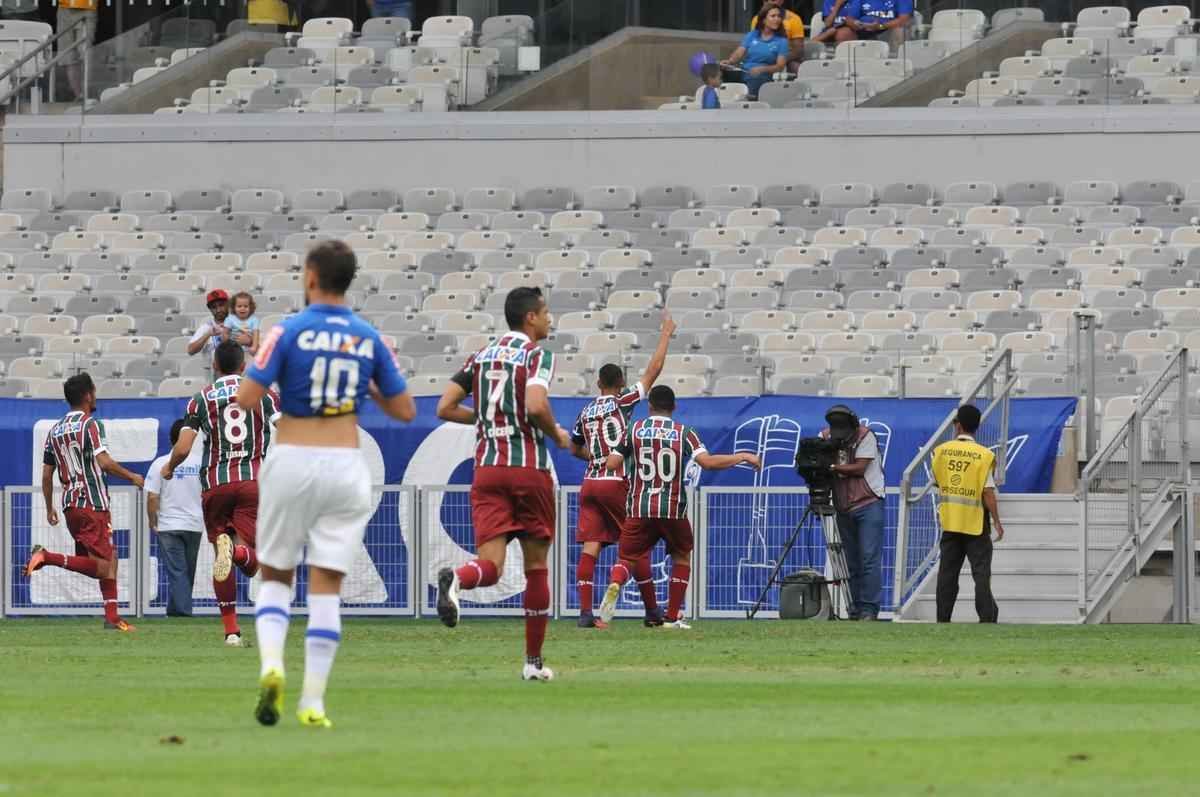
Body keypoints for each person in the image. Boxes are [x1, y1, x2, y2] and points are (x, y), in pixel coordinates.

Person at [237, 240, 415, 729]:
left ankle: (273, 663)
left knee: (274, 575)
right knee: (326, 589)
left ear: (311, 277)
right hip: (345, 463)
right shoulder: (368, 337)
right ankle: (313, 702)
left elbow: (246, 398)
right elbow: (405, 410)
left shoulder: (286, 330)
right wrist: (366, 382)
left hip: (293, 457)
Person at [434, 286, 572, 682]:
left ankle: (458, 580)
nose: (549, 320)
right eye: (545, 313)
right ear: (530, 317)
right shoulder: (537, 355)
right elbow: (535, 405)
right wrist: (556, 435)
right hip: (528, 469)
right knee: (535, 568)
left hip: (487, 470)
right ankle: (533, 662)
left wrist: (487, 420)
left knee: (490, 566)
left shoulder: (481, 356)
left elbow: (444, 406)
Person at [598, 385, 761, 628]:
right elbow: (707, 463)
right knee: (681, 556)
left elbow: (612, 463)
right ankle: (672, 616)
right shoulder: (683, 432)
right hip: (672, 508)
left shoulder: (634, 429)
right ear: (674, 407)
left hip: (640, 506)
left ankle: (615, 583)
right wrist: (743, 456)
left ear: (649, 406)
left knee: (627, 557)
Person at [163, 339, 280, 647]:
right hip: (252, 481)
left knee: (221, 555)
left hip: (215, 483)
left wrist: (169, 467)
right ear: (244, 366)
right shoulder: (265, 394)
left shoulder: (200, 399)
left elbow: (184, 447)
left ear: (214, 366)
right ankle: (238, 551)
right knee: (251, 562)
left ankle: (231, 631)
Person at [569, 311, 675, 629]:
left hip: (590, 481)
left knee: (591, 545)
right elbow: (653, 372)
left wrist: (595, 458)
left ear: (598, 383)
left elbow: (574, 447)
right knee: (635, 543)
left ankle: (585, 614)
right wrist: (666, 335)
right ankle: (653, 611)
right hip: (617, 481)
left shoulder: (585, 411)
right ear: (619, 384)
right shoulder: (622, 401)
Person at [23, 373, 145, 631]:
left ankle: (112, 618)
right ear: (88, 395)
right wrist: (133, 476)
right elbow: (105, 463)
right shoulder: (90, 425)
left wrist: (49, 507)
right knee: (103, 566)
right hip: (92, 503)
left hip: (71, 506)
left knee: (108, 559)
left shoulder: (55, 431)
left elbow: (47, 474)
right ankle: (46, 556)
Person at [932, 405, 1003, 623]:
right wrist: (997, 522)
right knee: (981, 574)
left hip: (951, 522)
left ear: (958, 425)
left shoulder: (941, 451)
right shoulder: (984, 455)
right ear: (977, 427)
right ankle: (987, 618)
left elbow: (938, 482)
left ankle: (943, 619)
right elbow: (987, 492)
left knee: (947, 575)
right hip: (976, 524)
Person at [822, 404, 886, 621]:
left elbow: (859, 468)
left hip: (868, 504)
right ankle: (855, 608)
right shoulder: (825, 436)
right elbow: (816, 459)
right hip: (843, 507)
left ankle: (869, 609)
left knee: (869, 559)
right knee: (851, 561)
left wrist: (830, 467)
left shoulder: (866, 436)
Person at [145, 419, 205, 617]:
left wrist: (152, 520)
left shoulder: (160, 463)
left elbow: (153, 497)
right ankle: (177, 611)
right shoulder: (201, 463)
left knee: (178, 573)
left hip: (169, 525)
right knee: (186, 573)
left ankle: (181, 612)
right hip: (194, 525)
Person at [721, 3, 789, 99]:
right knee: (720, 72)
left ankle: (749, 104)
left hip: (764, 75)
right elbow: (739, 52)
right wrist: (730, 62)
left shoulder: (782, 41)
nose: (777, 19)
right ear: (763, 19)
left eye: (779, 16)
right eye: (773, 16)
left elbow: (780, 66)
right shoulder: (752, 35)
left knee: (755, 79)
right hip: (745, 71)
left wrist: (761, 69)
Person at [57, 0, 97, 100]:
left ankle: (86, 93)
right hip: (65, 8)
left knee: (85, 52)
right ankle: (78, 95)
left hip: (87, 7)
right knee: (68, 54)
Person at [749, 0, 805, 68]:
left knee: (795, 66)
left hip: (787, 59)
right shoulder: (757, 19)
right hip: (763, 58)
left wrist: (777, 60)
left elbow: (798, 51)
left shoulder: (793, 19)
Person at [842, 0, 914, 50]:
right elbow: (849, 19)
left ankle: (895, 64)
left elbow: (903, 20)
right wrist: (856, 24)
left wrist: (880, 26)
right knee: (844, 33)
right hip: (863, 30)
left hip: (887, 30)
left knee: (900, 31)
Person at [188, 289, 231, 359]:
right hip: (212, 368)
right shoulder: (206, 328)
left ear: (228, 304)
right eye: (214, 307)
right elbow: (190, 351)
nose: (218, 310)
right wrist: (208, 334)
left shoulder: (239, 324)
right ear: (210, 309)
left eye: (221, 305)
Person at [226, 291, 261, 355]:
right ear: (234, 308)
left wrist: (254, 347)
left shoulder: (254, 319)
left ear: (250, 307)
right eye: (239, 306)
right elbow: (226, 333)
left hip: (248, 350)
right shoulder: (230, 318)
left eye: (246, 306)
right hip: (234, 349)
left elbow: (256, 334)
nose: (243, 308)